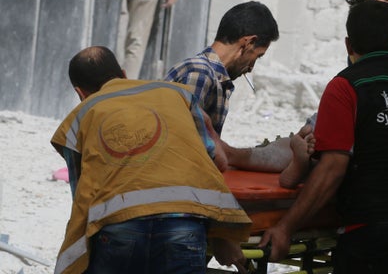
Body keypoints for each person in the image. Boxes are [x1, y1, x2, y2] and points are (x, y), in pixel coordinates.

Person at [259, 1, 388, 273]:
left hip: (374, 234)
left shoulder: (345, 86)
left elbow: (332, 168)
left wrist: (285, 228)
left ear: (348, 45)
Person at [51, 46, 252, 274]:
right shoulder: (177, 93)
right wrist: (221, 236)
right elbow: (216, 160)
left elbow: (82, 195)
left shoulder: (80, 117)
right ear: (124, 75)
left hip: (119, 229)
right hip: (182, 225)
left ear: (80, 93)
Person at [164, 1, 311, 185]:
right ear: (248, 43)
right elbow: (180, 143)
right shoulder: (200, 73)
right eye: (257, 57)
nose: (251, 68)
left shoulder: (217, 79)